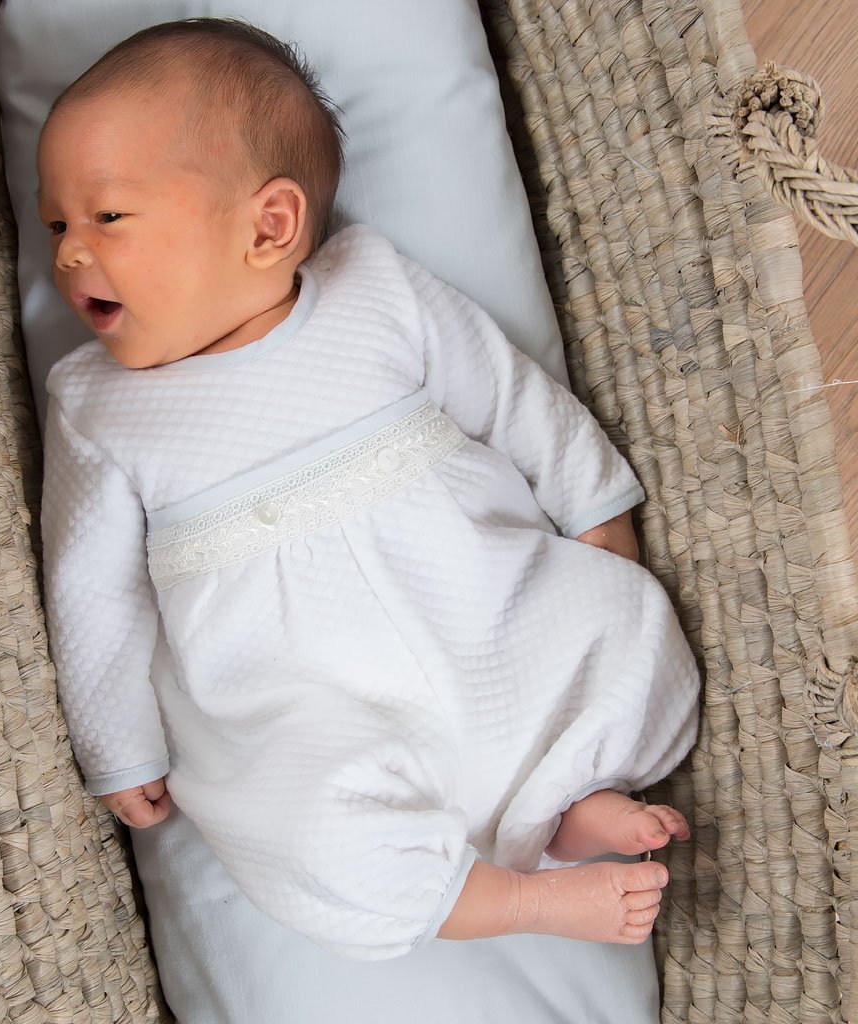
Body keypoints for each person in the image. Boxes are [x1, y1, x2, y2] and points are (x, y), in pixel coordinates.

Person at [39, 17, 700, 964]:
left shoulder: (375, 290)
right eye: (55, 222)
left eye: (106, 217)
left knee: (627, 623)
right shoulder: (97, 405)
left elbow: (509, 398)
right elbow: (91, 589)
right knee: (293, 832)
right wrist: (120, 745)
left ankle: (568, 805)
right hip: (313, 710)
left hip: (486, 609)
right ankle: (526, 901)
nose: (66, 252)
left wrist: (597, 508)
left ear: (268, 225)